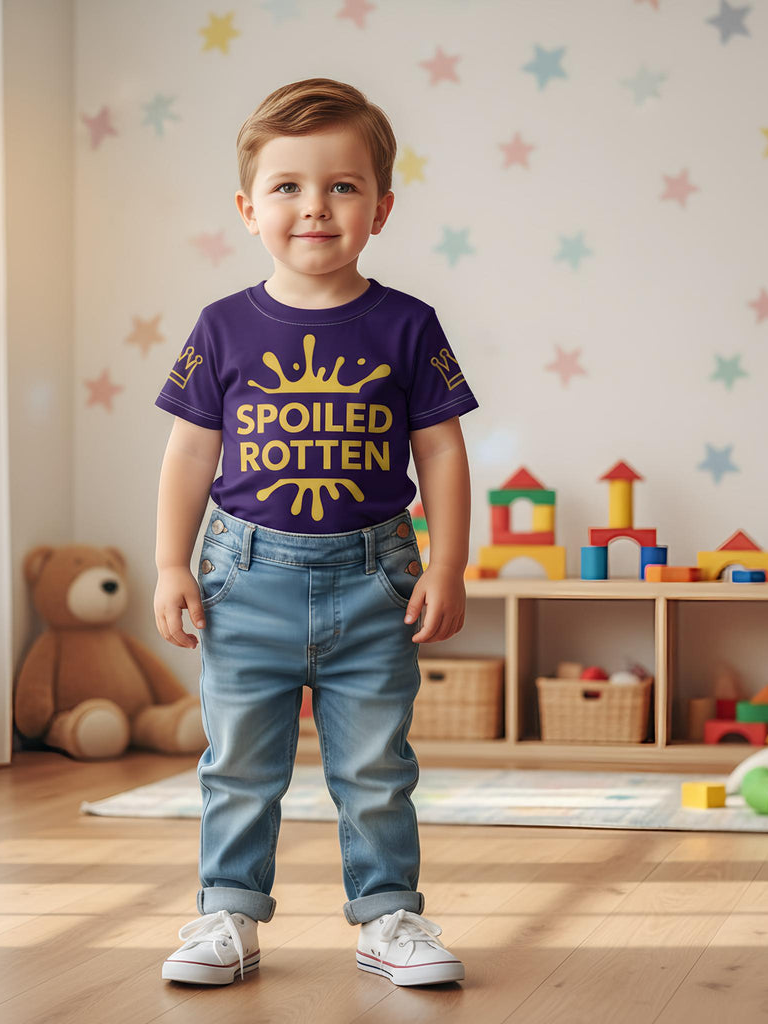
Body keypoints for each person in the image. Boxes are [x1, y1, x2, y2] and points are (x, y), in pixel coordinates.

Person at [153, 78, 478, 988]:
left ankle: (389, 915)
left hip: (374, 577)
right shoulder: (222, 327)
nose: (315, 206)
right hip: (241, 576)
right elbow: (188, 456)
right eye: (289, 186)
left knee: (376, 763)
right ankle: (227, 913)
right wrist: (168, 563)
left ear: (379, 208)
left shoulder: (407, 324)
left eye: (342, 186)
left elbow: (442, 454)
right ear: (249, 205)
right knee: (239, 764)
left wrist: (447, 564)